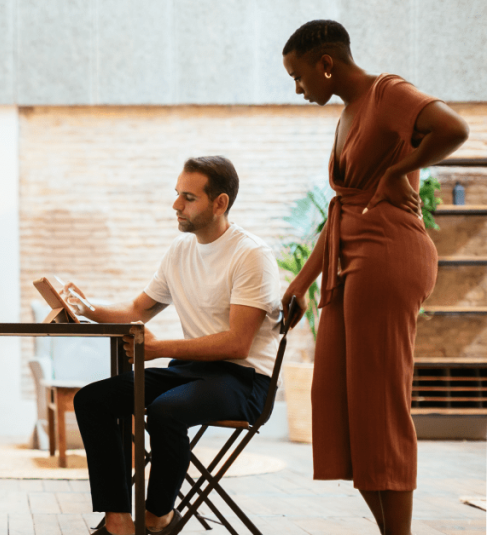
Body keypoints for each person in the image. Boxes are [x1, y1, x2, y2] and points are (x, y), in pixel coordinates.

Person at [280, 20, 469, 535]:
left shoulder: (388, 93)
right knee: (343, 407)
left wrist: (395, 172)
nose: (298, 89)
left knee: (380, 407)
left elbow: (454, 128)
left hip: (389, 255)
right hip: (350, 261)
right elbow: (342, 208)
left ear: (326, 63)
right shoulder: (346, 114)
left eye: (298, 76)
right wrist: (301, 282)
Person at [64, 156, 283, 535]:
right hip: (191, 372)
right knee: (92, 400)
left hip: (246, 380)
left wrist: (161, 348)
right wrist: (85, 309)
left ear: (220, 203)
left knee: (167, 411)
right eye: (176, 194)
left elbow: (237, 343)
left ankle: (160, 515)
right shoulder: (180, 251)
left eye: (188, 197)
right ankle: (118, 521)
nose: (176, 205)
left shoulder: (251, 255)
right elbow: (137, 310)